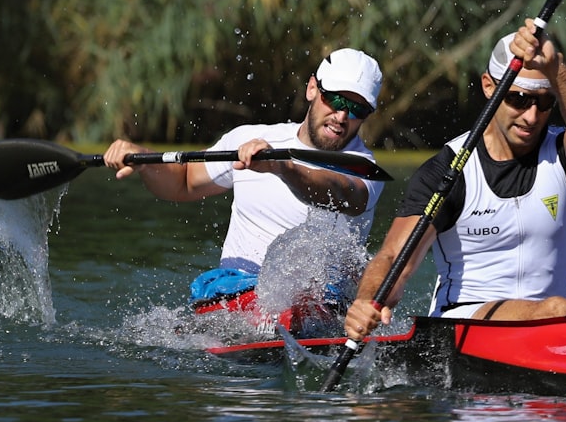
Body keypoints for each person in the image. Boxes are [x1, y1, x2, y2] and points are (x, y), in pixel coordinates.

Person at [343, 19, 566, 342]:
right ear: (490, 87)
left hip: (551, 321)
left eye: (544, 102)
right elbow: (394, 257)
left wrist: (555, 66)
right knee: (556, 309)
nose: (531, 117)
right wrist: (367, 303)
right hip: (462, 324)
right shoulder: (448, 170)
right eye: (519, 99)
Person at [104, 48, 387, 320]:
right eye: (336, 100)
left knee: (311, 298)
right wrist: (145, 160)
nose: (341, 117)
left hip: (319, 303)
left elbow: (344, 194)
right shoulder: (249, 138)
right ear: (312, 88)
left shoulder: (363, 168)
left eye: (356, 110)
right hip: (236, 291)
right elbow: (184, 183)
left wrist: (282, 168)